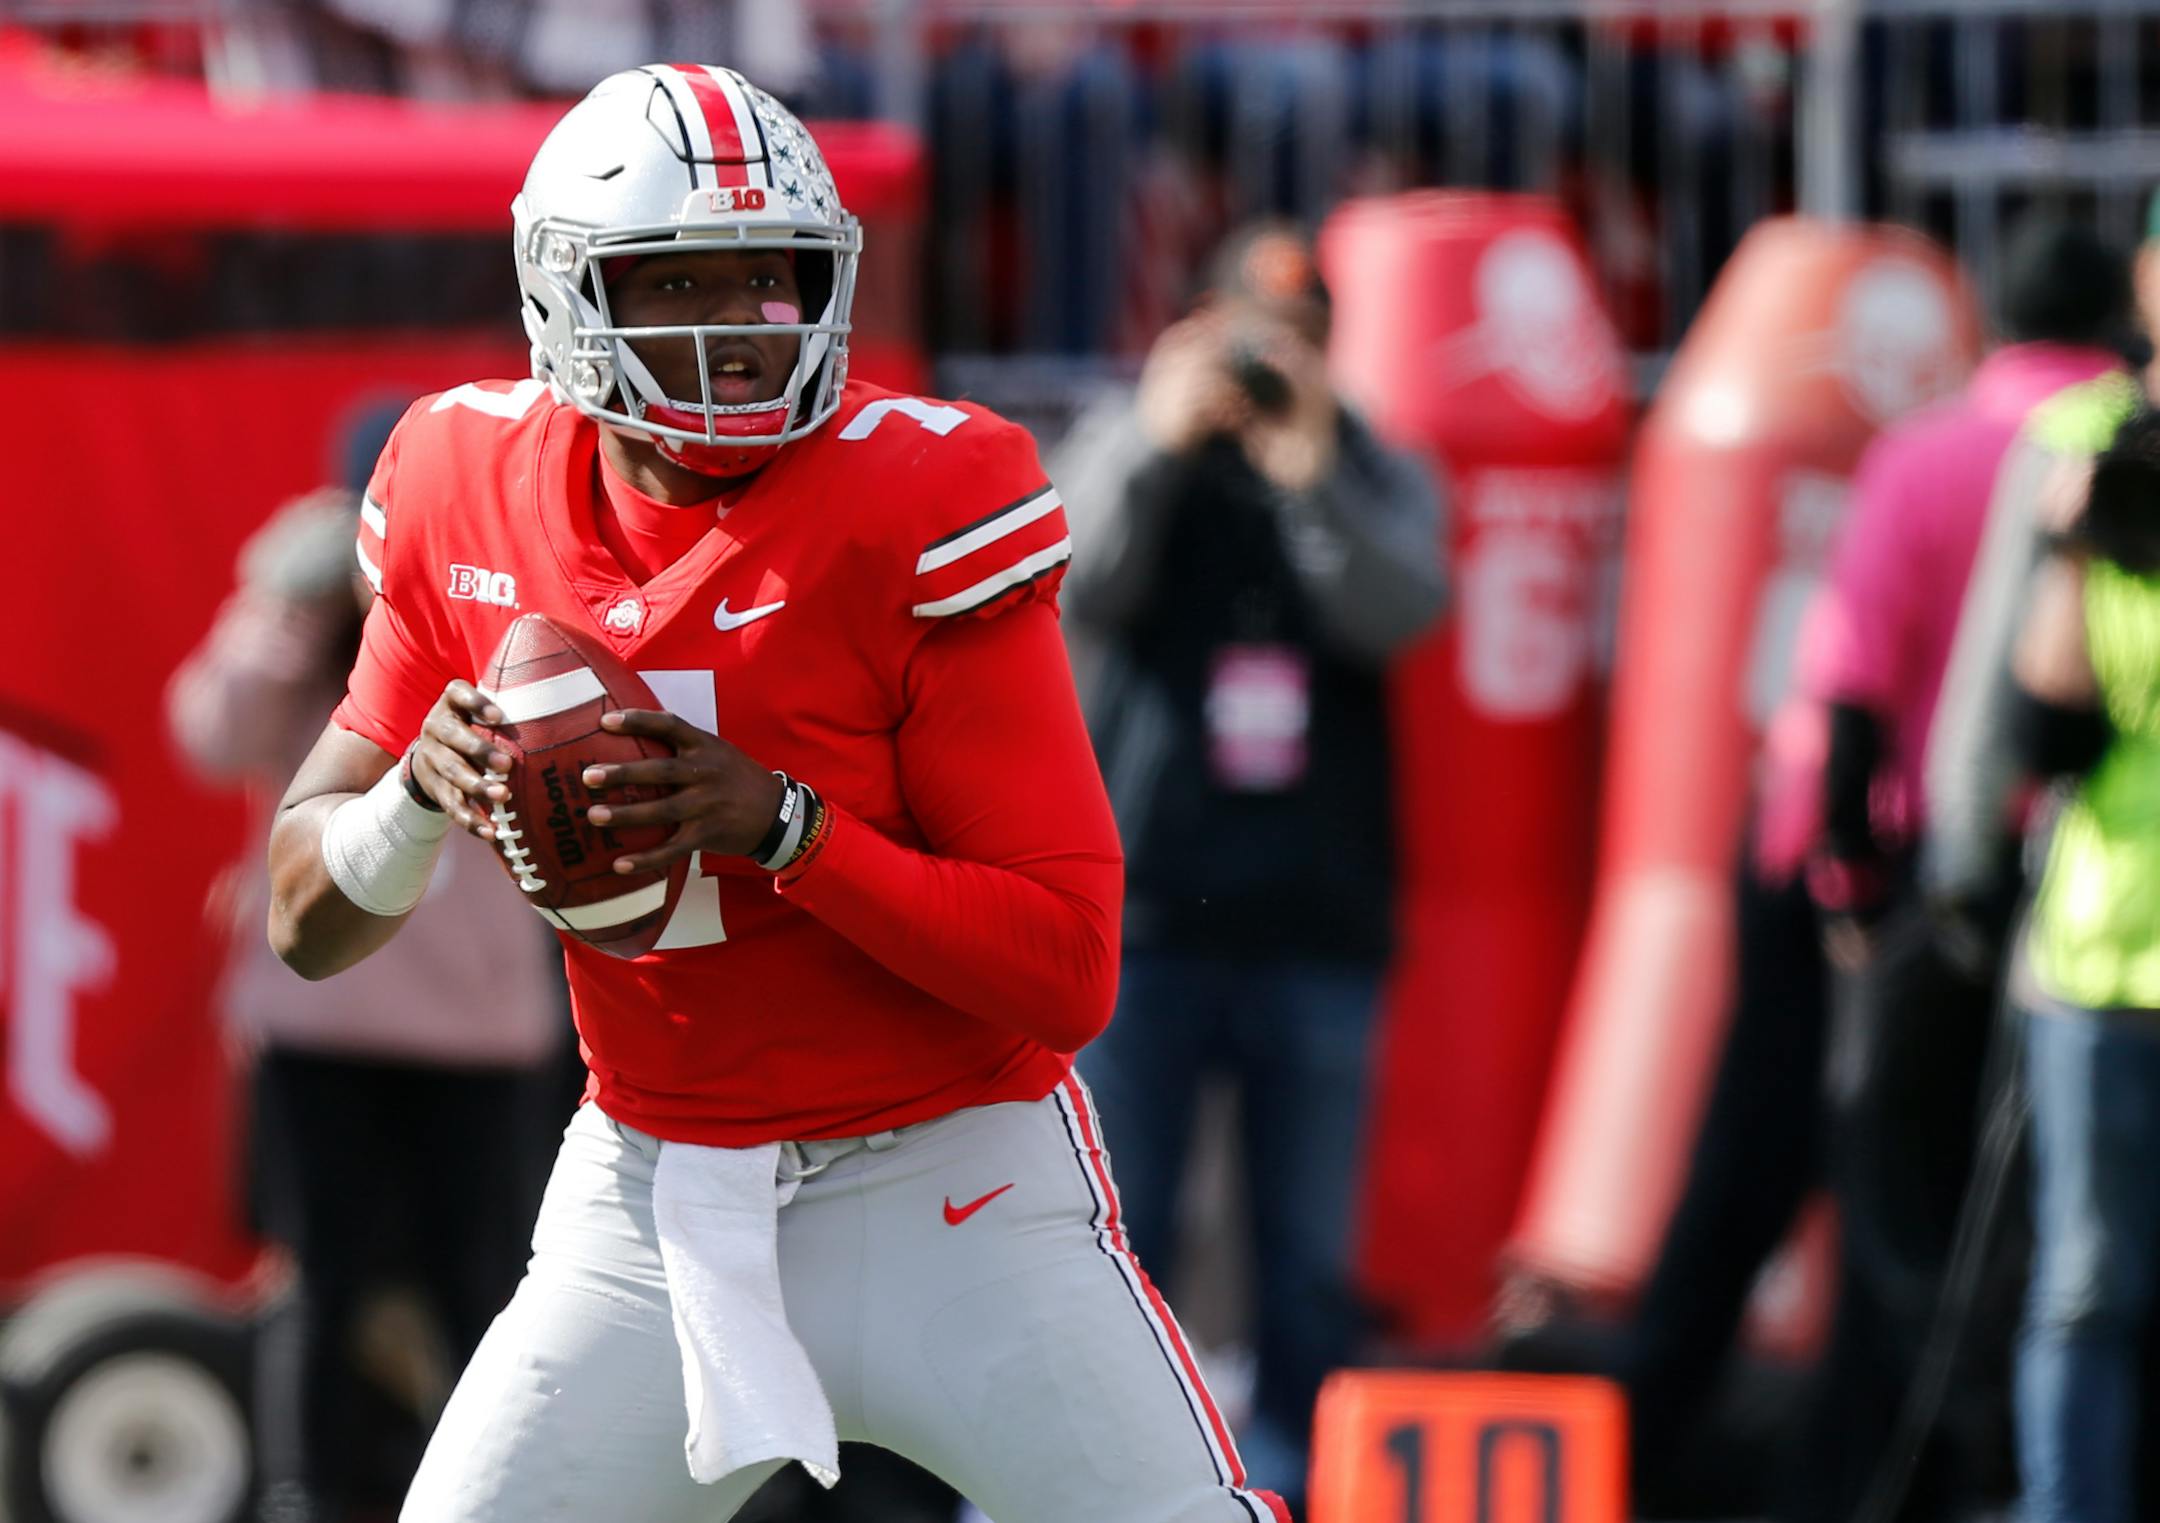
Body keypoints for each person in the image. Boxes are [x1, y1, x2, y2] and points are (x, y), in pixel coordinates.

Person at [265, 64, 1291, 1523]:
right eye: (683, 284)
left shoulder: (921, 499)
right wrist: (412, 799)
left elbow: (1065, 968)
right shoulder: (458, 476)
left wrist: (786, 827)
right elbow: (302, 918)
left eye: (773, 279)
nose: (742, 334)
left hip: (956, 1187)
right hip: (653, 1195)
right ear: (568, 291)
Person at [1054, 223, 1445, 1510]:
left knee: (1306, 1261)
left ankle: (1283, 1491)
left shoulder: (1366, 458)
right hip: (1149, 915)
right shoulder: (1133, 438)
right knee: (1115, 1237)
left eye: (1301, 342)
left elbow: (1401, 607)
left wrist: (1309, 471)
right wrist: (1164, 441)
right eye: (1249, 338)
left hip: (1316, 920)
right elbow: (1070, 583)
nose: (1272, 364)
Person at [1788, 216, 2128, 1523]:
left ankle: (1931, 1470)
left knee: (1907, 1209)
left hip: (1948, 877)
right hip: (2090, 892)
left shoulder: (1927, 452)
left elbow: (1852, 681)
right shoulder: (2116, 445)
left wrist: (1850, 885)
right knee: (2065, 1240)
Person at [168, 479, 564, 1523]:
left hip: (476, 1035)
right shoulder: (316, 638)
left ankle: (493, 1493)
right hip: (320, 1023)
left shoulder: (499, 604)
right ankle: (304, 1492)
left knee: (480, 1284)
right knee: (320, 1277)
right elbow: (209, 731)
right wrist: (287, 609)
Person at [2003, 406, 2160, 1523]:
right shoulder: (2106, 464)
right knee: (2088, 1286)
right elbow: (2039, 734)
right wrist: (2068, 547)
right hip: (2107, 964)